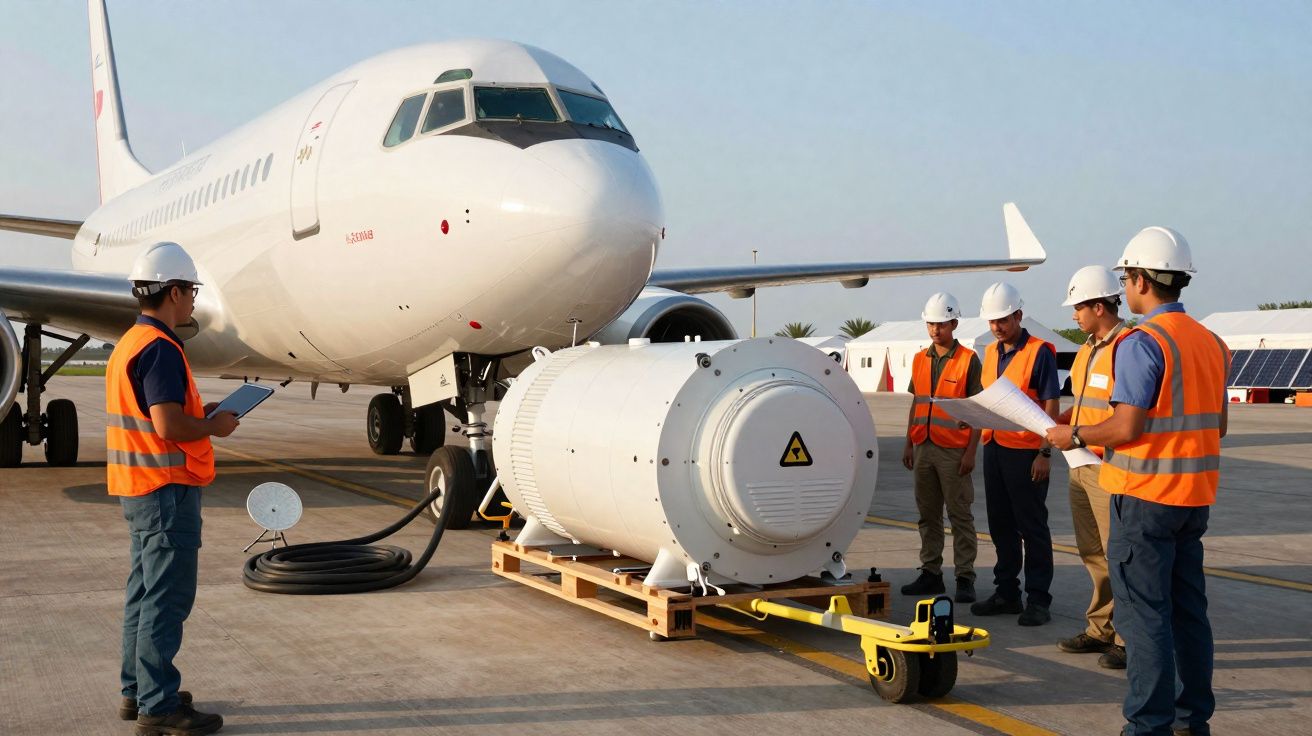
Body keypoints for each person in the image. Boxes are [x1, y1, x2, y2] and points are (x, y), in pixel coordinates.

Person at [1047, 227, 1227, 736]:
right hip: (1194, 500)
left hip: (1145, 498)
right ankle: (1194, 721)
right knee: (1190, 614)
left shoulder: (1142, 342)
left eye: (1125, 278)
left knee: (1145, 619)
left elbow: (1127, 427)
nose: (1123, 288)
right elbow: (1218, 424)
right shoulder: (1211, 342)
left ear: (1143, 280)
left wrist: (1075, 433)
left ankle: (1147, 726)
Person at [106, 242, 237, 736]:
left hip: (138, 487)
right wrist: (215, 426)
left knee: (142, 594)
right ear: (174, 292)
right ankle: (158, 706)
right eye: (191, 292)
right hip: (165, 489)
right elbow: (167, 425)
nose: (193, 302)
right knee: (166, 600)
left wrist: (199, 419)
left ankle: (136, 690)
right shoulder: (161, 348)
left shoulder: (129, 344)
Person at [969, 282, 1060, 626]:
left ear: (1019, 315)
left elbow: (1051, 403)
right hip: (995, 448)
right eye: (992, 321)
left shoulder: (1040, 352)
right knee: (1000, 525)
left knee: (1032, 527)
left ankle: (1038, 599)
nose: (997, 326)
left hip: (1026, 452)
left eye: (1003, 320)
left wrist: (1045, 452)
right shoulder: (990, 352)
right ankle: (1007, 592)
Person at [1053, 266, 1128, 669]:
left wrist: (1078, 434)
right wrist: (1063, 420)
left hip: (1107, 466)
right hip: (1079, 463)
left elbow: (1124, 415)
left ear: (1099, 306)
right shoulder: (1086, 349)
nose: (1074, 315)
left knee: (1118, 553)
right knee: (1092, 551)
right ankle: (1100, 628)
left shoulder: (1126, 348)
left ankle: (1125, 637)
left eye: (1078, 307)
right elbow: (1086, 403)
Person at [899, 292, 983, 603]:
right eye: (931, 324)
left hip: (953, 451)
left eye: (942, 324)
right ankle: (931, 573)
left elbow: (977, 409)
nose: (936, 330)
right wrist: (909, 442)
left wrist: (971, 452)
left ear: (954, 324)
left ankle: (965, 577)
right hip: (923, 447)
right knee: (928, 514)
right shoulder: (921, 359)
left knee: (960, 515)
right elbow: (916, 403)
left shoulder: (968, 360)